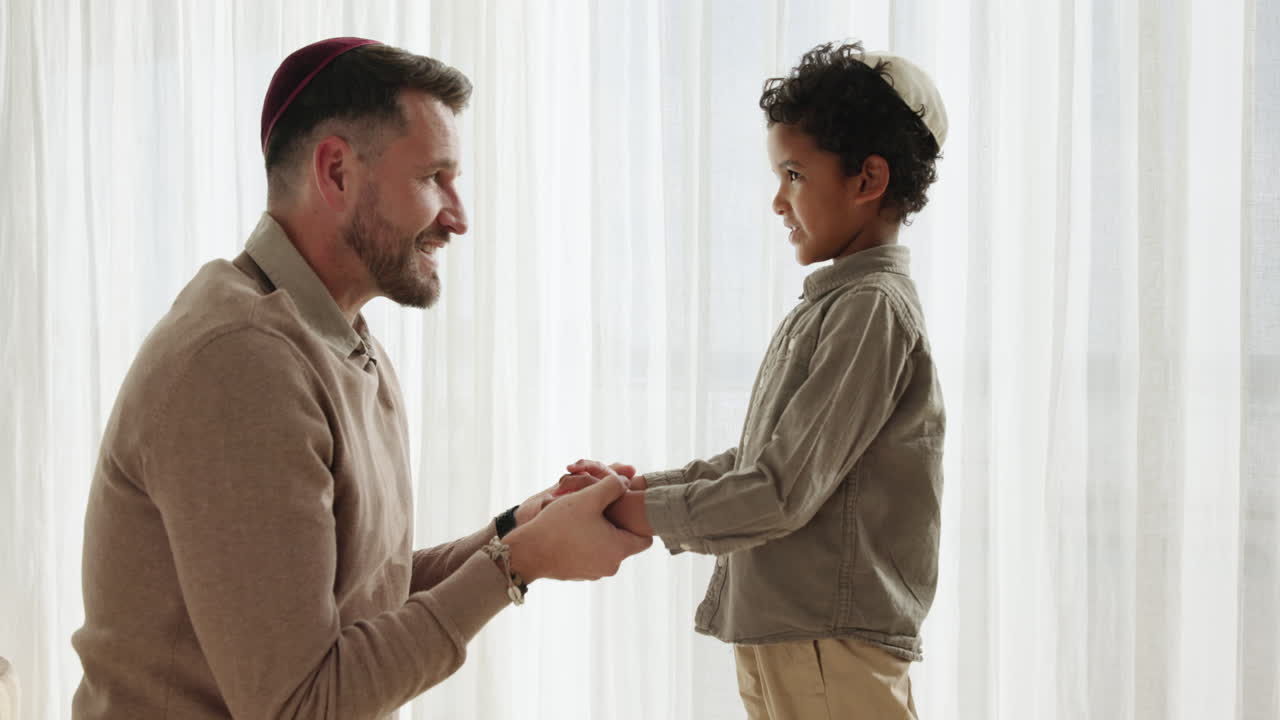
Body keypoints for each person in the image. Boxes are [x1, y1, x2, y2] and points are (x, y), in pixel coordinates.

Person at [71, 37, 651, 720]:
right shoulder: (240, 363)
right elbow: (300, 706)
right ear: (338, 171)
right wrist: (516, 564)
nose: (458, 217)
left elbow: (357, 601)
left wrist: (516, 528)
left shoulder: (338, 342)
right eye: (434, 177)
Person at [570, 41, 948, 720]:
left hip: (829, 648)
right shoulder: (831, 308)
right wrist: (632, 490)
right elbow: (758, 465)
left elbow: (777, 493)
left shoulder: (869, 311)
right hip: (793, 639)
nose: (778, 200)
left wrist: (635, 514)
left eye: (795, 174)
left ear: (867, 180)